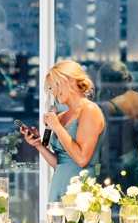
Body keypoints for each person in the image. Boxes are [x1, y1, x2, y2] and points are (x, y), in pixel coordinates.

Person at [20, 61, 105, 202]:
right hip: (59, 186)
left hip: (80, 191)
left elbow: (82, 160)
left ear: (71, 82)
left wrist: (57, 128)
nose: (53, 91)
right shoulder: (61, 116)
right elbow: (61, 164)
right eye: (50, 87)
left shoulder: (89, 110)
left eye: (55, 85)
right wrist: (39, 145)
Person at [96, 61, 138, 189]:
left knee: (115, 203)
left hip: (117, 163)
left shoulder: (109, 106)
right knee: (135, 203)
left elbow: (106, 142)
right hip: (135, 159)